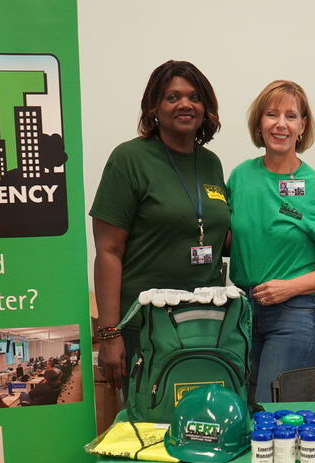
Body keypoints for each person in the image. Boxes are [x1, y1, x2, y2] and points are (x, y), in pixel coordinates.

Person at [91, 60, 231, 391]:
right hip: (145, 325)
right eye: (172, 97)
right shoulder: (129, 159)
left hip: (203, 322)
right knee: (148, 425)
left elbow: (216, 234)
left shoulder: (210, 163)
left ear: (205, 108)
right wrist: (109, 334)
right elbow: (108, 250)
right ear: (155, 107)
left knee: (198, 418)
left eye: (195, 97)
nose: (185, 104)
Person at [228, 80, 315, 402]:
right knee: (243, 408)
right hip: (242, 312)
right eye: (272, 114)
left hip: (294, 313)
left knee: (269, 410)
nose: (281, 124)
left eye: (291, 116)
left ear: (303, 127)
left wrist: (290, 287)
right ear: (259, 123)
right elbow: (234, 240)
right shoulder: (240, 176)